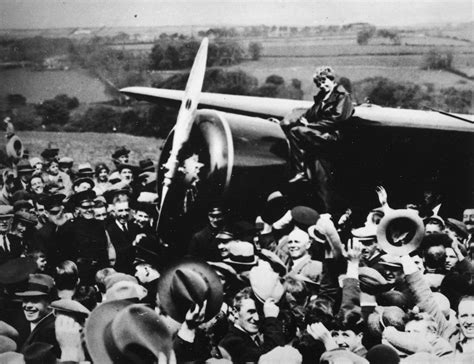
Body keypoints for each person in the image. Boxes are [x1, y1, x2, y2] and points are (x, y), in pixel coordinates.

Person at [282, 66, 354, 212]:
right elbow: (308, 115)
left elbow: (336, 119)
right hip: (319, 136)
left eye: (324, 81)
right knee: (321, 176)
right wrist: (294, 121)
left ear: (332, 79)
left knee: (297, 132)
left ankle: (300, 172)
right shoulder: (322, 97)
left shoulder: (342, 96)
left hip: (332, 137)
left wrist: (311, 125)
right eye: (319, 83)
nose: (322, 85)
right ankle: (326, 211)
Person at [219, 287, 285, 363]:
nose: (257, 318)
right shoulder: (231, 342)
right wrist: (271, 319)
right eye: (251, 312)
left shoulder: (249, 337)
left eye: (260, 313)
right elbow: (271, 357)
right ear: (235, 312)